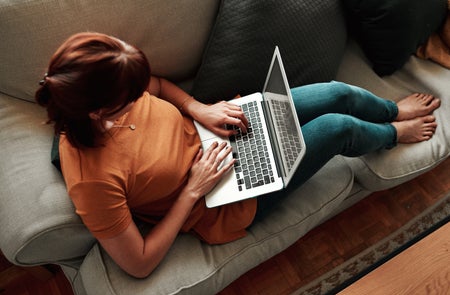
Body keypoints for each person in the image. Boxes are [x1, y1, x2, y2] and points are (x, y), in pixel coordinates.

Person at [35, 32, 440, 278]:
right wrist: (192, 190)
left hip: (217, 131)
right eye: (129, 99)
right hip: (220, 200)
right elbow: (138, 263)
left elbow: (155, 86)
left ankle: (391, 110)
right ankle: (391, 134)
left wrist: (198, 108)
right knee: (339, 128)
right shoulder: (92, 180)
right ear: (99, 110)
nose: (139, 97)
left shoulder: (105, 82)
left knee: (338, 92)